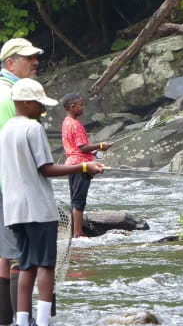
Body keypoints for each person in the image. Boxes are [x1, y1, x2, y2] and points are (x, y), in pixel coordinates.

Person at [0, 78, 104, 326]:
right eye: (39, 104)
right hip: (38, 209)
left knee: (25, 265)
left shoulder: (6, 130)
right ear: (26, 103)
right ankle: (44, 321)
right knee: (46, 266)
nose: (43, 110)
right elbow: (46, 168)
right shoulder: (33, 128)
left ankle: (22, 321)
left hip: (14, 210)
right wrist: (84, 166)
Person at [0, 38, 43, 326]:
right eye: (28, 58)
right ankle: (20, 320)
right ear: (10, 63)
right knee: (18, 257)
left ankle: (5, 319)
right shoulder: (9, 97)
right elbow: (14, 146)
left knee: (4, 256)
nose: (35, 62)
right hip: (11, 188)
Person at [61, 93, 112, 238]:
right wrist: (101, 145)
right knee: (79, 200)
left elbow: (78, 148)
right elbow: (83, 148)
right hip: (80, 166)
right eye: (81, 105)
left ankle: (74, 231)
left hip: (72, 164)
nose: (83, 107)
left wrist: (95, 150)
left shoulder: (66, 121)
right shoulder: (75, 124)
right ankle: (78, 233)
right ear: (72, 106)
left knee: (75, 198)